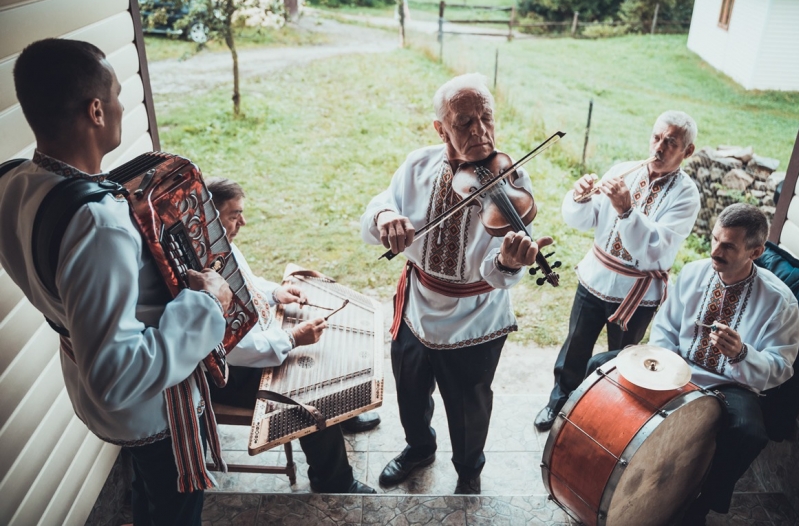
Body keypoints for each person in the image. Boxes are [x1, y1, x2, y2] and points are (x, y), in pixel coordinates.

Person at [0, 39, 232, 525]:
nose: (125, 105)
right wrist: (206, 303)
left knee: (148, 492)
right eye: (119, 95)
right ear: (97, 111)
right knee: (175, 509)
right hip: (147, 406)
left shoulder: (15, 181)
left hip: (82, 377)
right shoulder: (98, 224)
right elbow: (116, 375)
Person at [361, 73, 552, 494]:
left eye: (487, 118)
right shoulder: (418, 163)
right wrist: (383, 217)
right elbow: (380, 203)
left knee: (469, 407)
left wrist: (506, 260)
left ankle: (469, 470)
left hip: (474, 320)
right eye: (464, 122)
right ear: (440, 128)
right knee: (410, 393)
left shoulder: (510, 181)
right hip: (417, 307)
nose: (481, 132)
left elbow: (496, 271)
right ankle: (418, 448)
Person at [588, 203, 799, 524]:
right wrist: (662, 367)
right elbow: (666, 327)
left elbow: (781, 366)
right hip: (675, 366)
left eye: (728, 245)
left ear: (755, 251)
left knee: (749, 432)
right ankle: (599, 461)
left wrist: (742, 353)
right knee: (600, 366)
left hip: (732, 383)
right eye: (715, 239)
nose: (716, 250)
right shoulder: (693, 272)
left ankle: (701, 502)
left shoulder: (779, 301)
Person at [204, 177, 377, 493]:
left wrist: (276, 292)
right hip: (225, 377)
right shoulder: (203, 273)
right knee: (308, 391)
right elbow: (233, 349)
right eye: (233, 215)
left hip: (253, 349)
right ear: (211, 220)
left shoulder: (221, 245)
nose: (242, 222)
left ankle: (342, 416)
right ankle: (333, 481)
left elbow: (249, 282)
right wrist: (293, 339)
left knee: (325, 353)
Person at [534, 110, 702, 431]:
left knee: (621, 360)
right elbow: (582, 221)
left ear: (687, 151)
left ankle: (600, 417)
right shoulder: (623, 170)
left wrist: (627, 211)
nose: (659, 147)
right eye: (656, 137)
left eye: (671, 142)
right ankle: (559, 401)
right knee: (575, 346)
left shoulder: (686, 196)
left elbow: (656, 250)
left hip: (636, 294)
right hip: (595, 278)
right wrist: (580, 196)